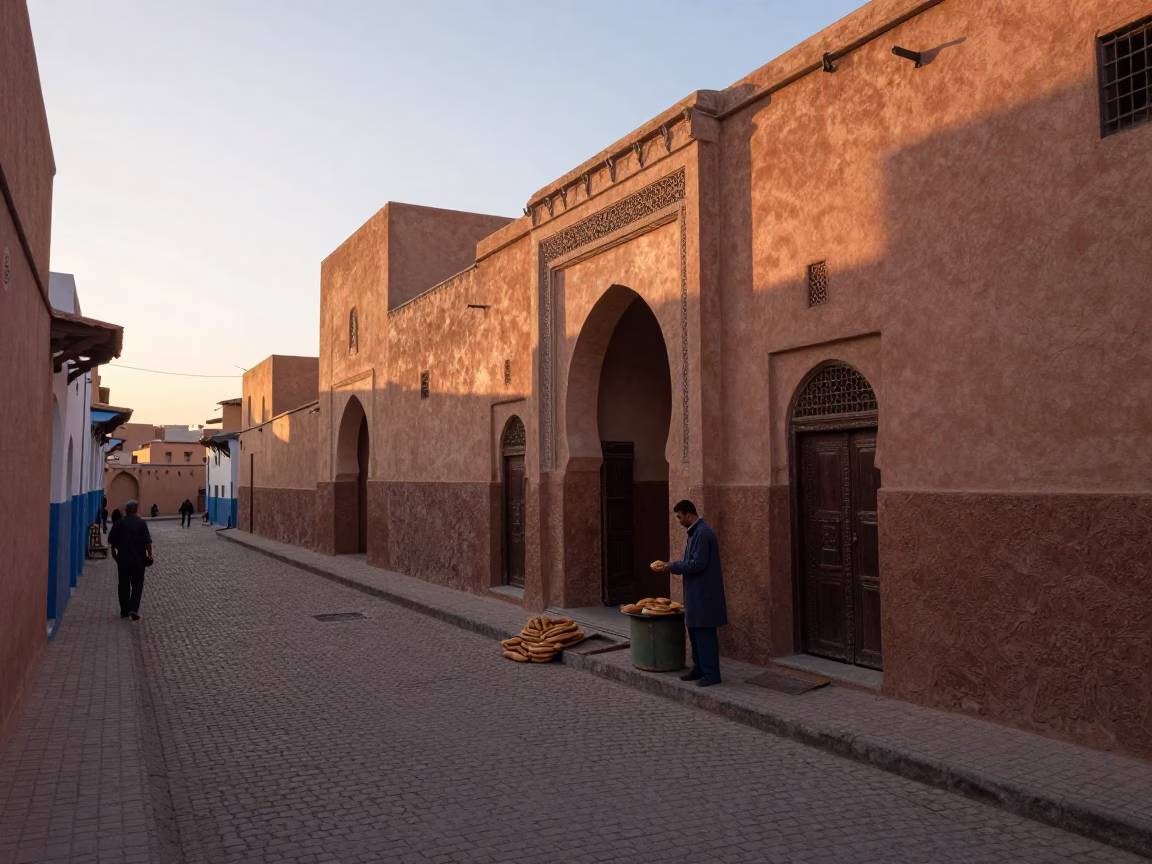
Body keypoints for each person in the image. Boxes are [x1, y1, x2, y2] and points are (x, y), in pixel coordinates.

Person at [655, 500, 728, 687]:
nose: (679, 521)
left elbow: (698, 564)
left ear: (689, 514)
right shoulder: (695, 533)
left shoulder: (703, 534)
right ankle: (699, 669)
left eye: (680, 517)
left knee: (704, 633)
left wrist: (672, 566)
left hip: (704, 594)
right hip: (696, 593)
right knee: (695, 631)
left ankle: (711, 673)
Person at [107, 499, 152, 621]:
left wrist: (115, 555)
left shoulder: (119, 524)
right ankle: (134, 608)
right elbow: (148, 543)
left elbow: (112, 543)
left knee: (123, 585)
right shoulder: (141, 524)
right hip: (138, 560)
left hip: (123, 560)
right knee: (137, 584)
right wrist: (150, 555)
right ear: (135, 510)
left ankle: (124, 611)